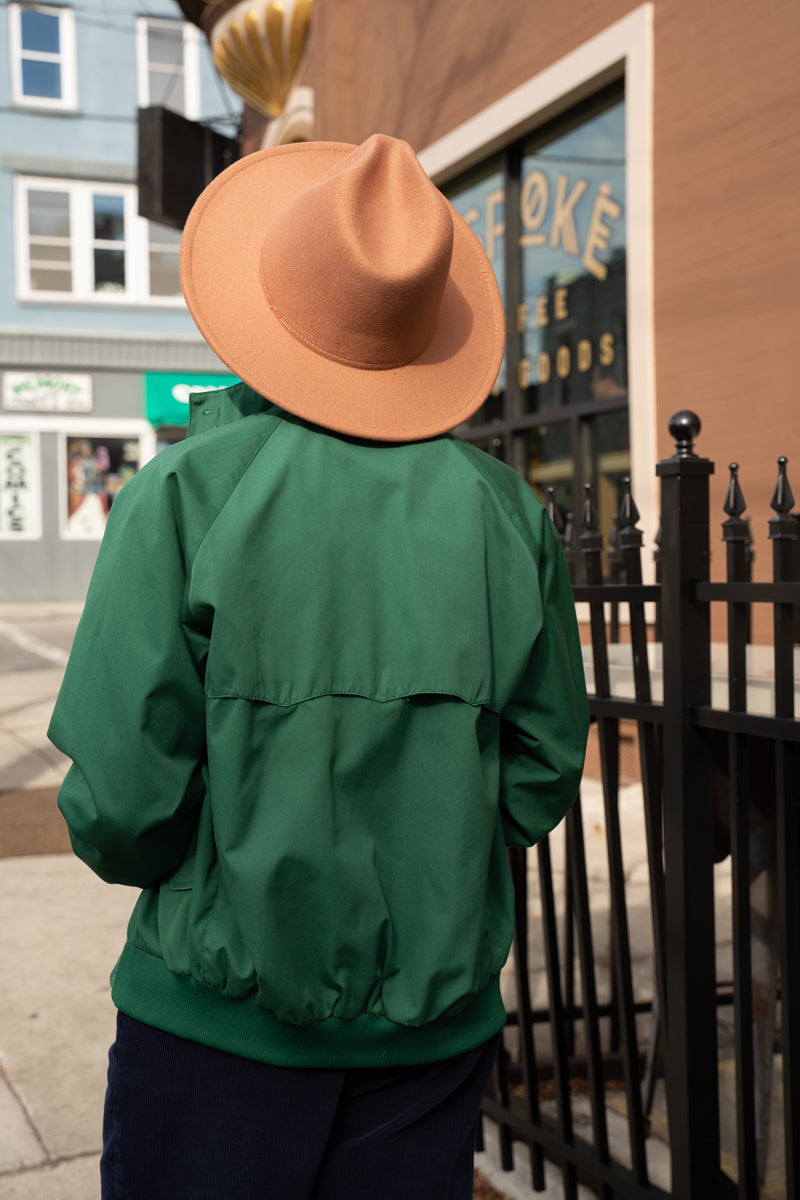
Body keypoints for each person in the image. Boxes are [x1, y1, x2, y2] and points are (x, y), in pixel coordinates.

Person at [48, 134, 589, 1200]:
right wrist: (424, 859)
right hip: (430, 1038)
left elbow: (119, 806)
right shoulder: (508, 517)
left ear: (271, 305)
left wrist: (228, 866)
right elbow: (538, 774)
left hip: (215, 1024)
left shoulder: (183, 497)